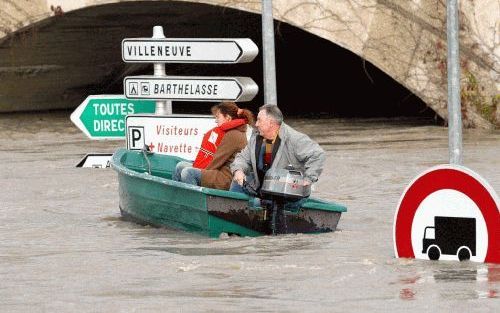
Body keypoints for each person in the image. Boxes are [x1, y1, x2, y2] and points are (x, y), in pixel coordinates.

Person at [230, 104, 325, 194]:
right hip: (263, 189)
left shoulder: (294, 138)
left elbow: (318, 155)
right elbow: (242, 158)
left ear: (271, 123)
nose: (257, 124)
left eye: (259, 120)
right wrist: (238, 170)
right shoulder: (256, 138)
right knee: (237, 184)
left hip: (289, 194)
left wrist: (308, 180)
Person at [172, 102, 254, 190]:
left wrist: (200, 172)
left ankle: (193, 202)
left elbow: (217, 160)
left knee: (188, 173)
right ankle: (177, 198)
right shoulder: (230, 132)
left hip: (225, 177)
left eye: (218, 117)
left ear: (228, 118)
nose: (215, 120)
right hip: (218, 170)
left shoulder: (233, 135)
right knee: (180, 166)